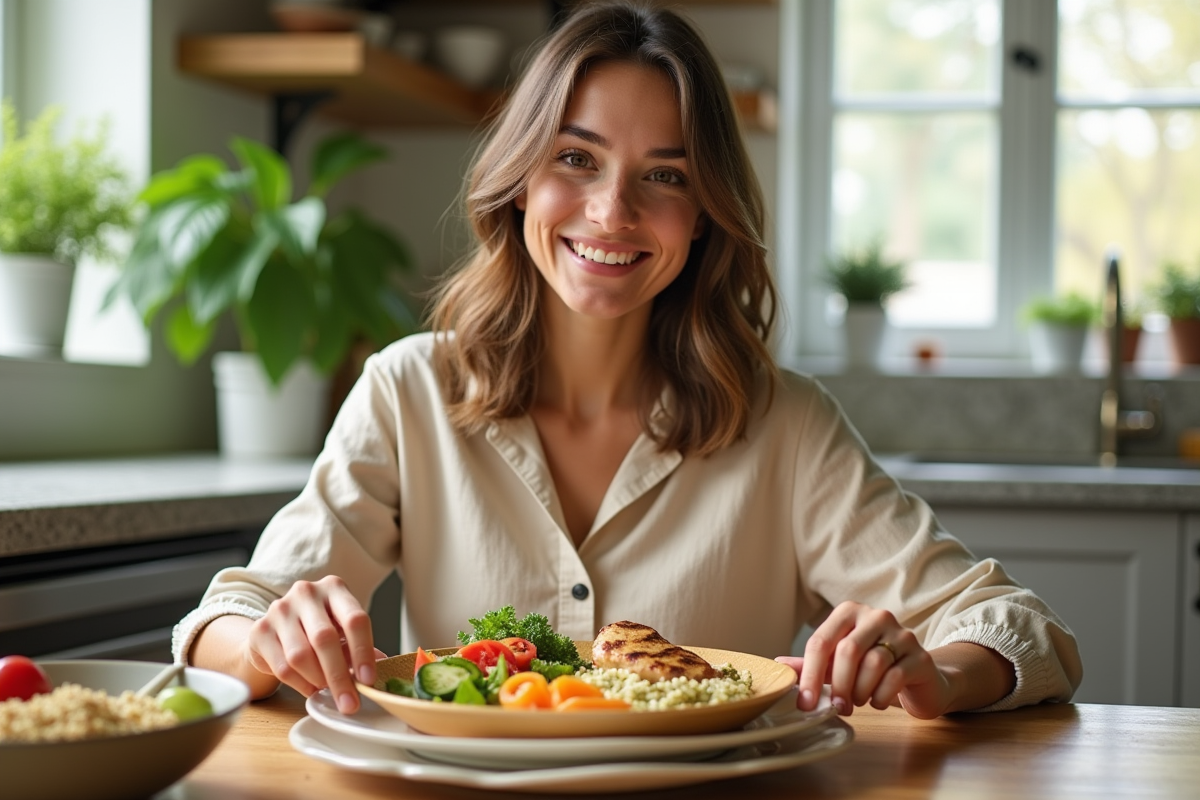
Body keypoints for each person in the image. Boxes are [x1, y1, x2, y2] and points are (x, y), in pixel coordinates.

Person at [175, 2, 1081, 721]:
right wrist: (270, 638)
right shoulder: (409, 388)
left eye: (667, 175)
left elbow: (1023, 631)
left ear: (707, 213)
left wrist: (936, 675)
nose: (612, 212)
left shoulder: (784, 422)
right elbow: (230, 615)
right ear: (520, 177)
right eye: (577, 158)